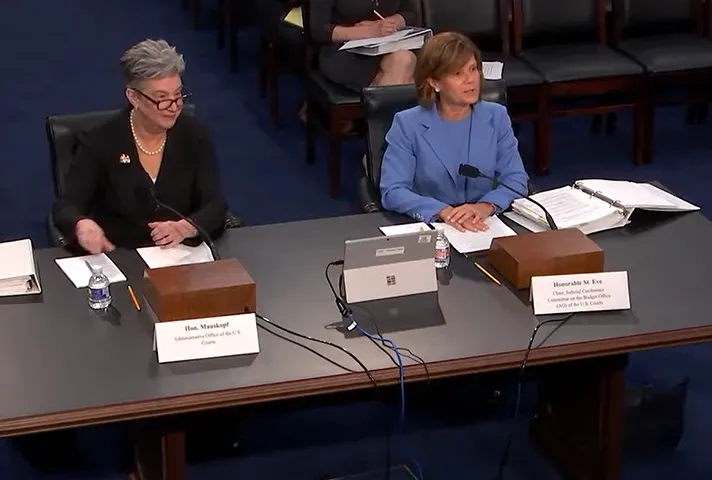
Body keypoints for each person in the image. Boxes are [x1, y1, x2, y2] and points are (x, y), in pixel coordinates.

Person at [52, 39, 228, 253]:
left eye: (178, 95)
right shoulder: (101, 142)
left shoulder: (194, 135)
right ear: (134, 97)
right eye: (161, 98)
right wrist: (81, 224)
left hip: (182, 260)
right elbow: (66, 207)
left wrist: (186, 228)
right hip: (122, 257)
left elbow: (215, 205)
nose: (173, 107)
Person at [379, 32, 529, 232]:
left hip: (487, 226)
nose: (470, 80)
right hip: (433, 227)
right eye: (458, 74)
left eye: (473, 69)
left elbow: (516, 178)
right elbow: (393, 190)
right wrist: (442, 211)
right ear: (434, 82)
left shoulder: (496, 116)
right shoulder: (407, 124)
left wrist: (486, 206)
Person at [311, 0, 420, 91]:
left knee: (405, 59)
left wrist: (394, 22)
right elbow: (319, 30)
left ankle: (382, 114)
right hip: (345, 51)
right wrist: (368, 31)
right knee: (405, 75)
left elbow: (410, 13)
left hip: (387, 47)